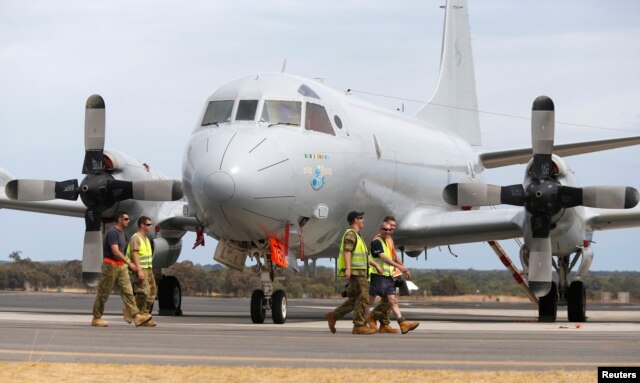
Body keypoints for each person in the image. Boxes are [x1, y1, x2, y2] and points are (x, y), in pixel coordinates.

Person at [91, 212, 152, 327]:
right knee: (103, 293)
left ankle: (136, 316)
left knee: (128, 292)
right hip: (110, 266)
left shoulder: (122, 234)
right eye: (126, 219)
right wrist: (129, 262)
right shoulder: (112, 233)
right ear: (119, 220)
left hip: (121, 266)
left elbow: (122, 252)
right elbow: (115, 251)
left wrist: (126, 264)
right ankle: (96, 318)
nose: (128, 221)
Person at [325, 211, 381, 335]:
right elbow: (347, 251)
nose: (363, 220)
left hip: (359, 271)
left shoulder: (357, 235)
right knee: (364, 298)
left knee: (355, 299)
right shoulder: (351, 234)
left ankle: (333, 316)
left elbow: (364, 256)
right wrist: (348, 269)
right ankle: (359, 325)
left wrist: (375, 264)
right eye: (361, 218)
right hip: (357, 272)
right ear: (356, 220)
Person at [366, 220, 419, 334]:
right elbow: (384, 258)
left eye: (390, 230)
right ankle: (361, 323)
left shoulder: (388, 241)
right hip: (378, 276)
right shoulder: (376, 241)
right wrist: (400, 267)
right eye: (385, 229)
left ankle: (403, 324)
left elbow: (393, 256)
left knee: (393, 301)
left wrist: (402, 268)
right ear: (380, 230)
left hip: (388, 276)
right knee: (370, 301)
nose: (388, 231)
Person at [123, 216, 157, 327]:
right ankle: (130, 311)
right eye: (148, 224)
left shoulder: (146, 239)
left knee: (152, 293)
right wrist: (139, 270)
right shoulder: (136, 238)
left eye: (151, 224)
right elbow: (134, 254)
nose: (150, 226)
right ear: (142, 225)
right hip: (140, 269)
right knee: (143, 292)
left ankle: (145, 316)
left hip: (148, 269)